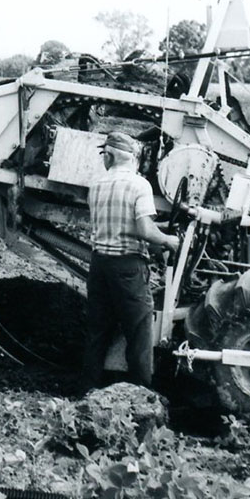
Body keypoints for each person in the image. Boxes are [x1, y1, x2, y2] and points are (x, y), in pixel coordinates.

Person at [82, 131, 180, 392]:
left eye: (104, 154)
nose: (103, 158)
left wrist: (155, 229)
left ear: (111, 156)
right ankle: (141, 392)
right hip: (128, 267)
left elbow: (126, 222)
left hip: (99, 264)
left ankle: (90, 388)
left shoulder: (96, 184)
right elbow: (145, 231)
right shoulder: (140, 186)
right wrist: (169, 241)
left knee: (97, 329)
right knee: (139, 330)